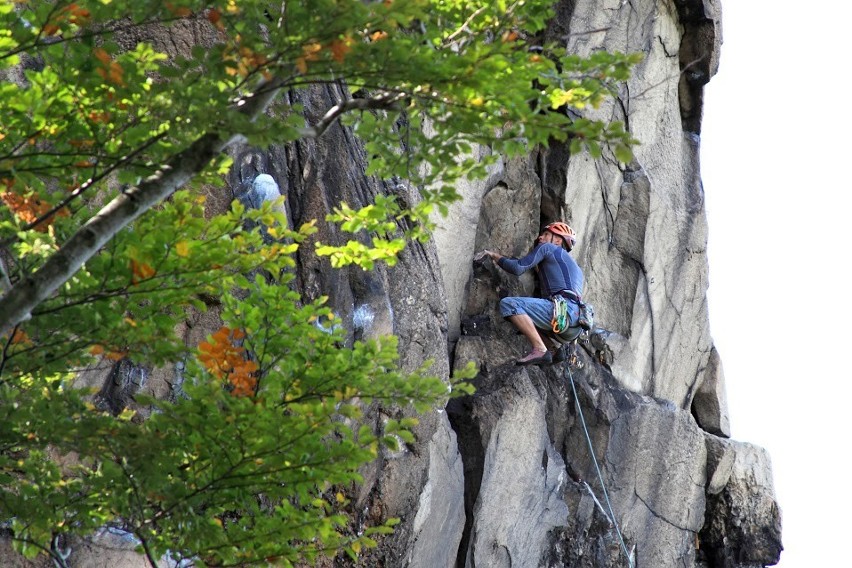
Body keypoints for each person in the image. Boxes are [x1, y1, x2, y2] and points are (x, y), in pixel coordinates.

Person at [475, 221, 585, 365]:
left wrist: (492, 255)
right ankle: (552, 349)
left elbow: (518, 268)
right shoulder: (577, 270)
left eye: (546, 234)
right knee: (526, 319)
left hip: (563, 313)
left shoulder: (548, 248)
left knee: (510, 304)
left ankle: (540, 349)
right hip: (573, 328)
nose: (540, 237)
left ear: (558, 240)